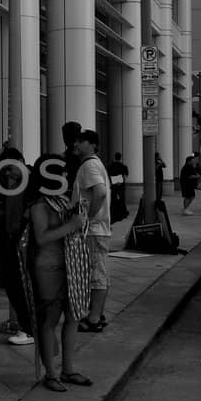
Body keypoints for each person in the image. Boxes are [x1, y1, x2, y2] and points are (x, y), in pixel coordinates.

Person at [21, 154, 91, 391]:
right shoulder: (40, 205)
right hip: (48, 267)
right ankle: (51, 372)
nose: (65, 176)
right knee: (50, 319)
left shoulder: (62, 200)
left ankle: (68, 368)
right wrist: (71, 225)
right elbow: (41, 238)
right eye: (61, 172)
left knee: (73, 317)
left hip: (69, 265)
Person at [0, 148, 36, 347]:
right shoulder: (14, 182)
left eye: (10, 168)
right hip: (13, 238)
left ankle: (27, 328)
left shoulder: (31, 183)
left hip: (23, 241)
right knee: (13, 284)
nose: (8, 173)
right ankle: (23, 324)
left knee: (20, 285)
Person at [70, 130, 111, 333]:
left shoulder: (90, 165)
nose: (75, 144)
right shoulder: (93, 164)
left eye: (81, 141)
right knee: (97, 272)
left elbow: (101, 192)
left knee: (96, 274)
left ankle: (93, 318)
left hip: (94, 230)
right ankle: (97, 314)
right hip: (97, 229)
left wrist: (89, 217)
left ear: (92, 144)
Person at [107, 151, 130, 222]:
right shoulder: (123, 166)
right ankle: (123, 213)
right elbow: (125, 176)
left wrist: (113, 181)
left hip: (113, 184)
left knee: (113, 198)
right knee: (122, 199)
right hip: (121, 185)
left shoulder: (111, 166)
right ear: (121, 158)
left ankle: (113, 213)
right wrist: (120, 181)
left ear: (115, 157)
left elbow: (108, 175)